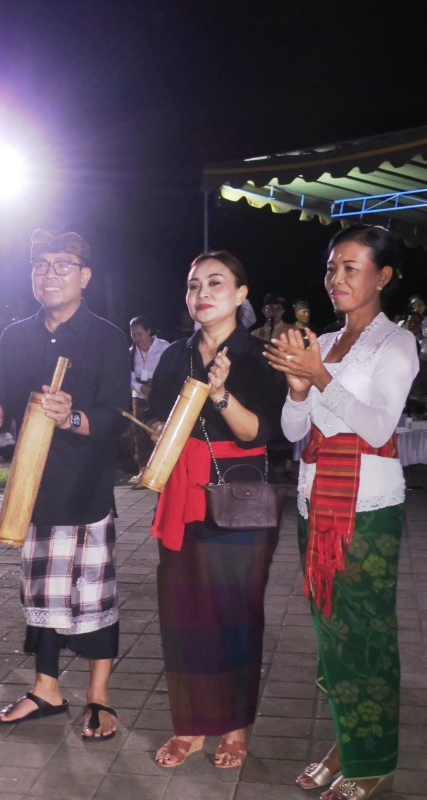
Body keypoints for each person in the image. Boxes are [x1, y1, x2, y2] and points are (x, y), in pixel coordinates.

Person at [266, 224, 418, 800]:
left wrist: (320, 376)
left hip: (367, 509)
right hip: (314, 499)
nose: (337, 279)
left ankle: (373, 760)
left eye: (352, 268)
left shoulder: (396, 344)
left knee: (366, 635)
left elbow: (378, 427)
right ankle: (347, 742)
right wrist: (298, 389)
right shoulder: (322, 339)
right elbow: (293, 430)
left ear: (383, 276)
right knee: (332, 634)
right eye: (332, 267)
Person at [0, 229, 127, 741]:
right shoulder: (18, 335)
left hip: (86, 485)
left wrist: (73, 417)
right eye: (41, 265)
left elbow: (115, 417)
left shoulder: (105, 336)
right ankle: (47, 690)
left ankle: (99, 697)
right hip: (32, 488)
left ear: (85, 277)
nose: (50, 274)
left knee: (92, 593)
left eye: (63, 265)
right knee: (40, 592)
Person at [146, 252, 286, 768]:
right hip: (182, 494)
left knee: (234, 616)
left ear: (242, 294)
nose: (201, 292)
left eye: (216, 282)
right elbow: (159, 423)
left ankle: (234, 727)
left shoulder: (261, 355)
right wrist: (159, 434)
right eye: (193, 285)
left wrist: (222, 394)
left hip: (239, 498)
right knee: (183, 616)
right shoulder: (172, 357)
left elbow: (260, 432)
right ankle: (190, 726)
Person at [128, 315, 169, 476]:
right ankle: (143, 470)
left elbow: (169, 370)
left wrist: (155, 388)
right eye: (133, 334)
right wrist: (141, 388)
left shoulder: (164, 347)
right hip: (139, 395)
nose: (136, 338)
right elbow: (128, 377)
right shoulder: (131, 352)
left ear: (149, 332)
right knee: (140, 431)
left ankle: (162, 467)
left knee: (160, 428)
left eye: (139, 334)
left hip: (159, 393)